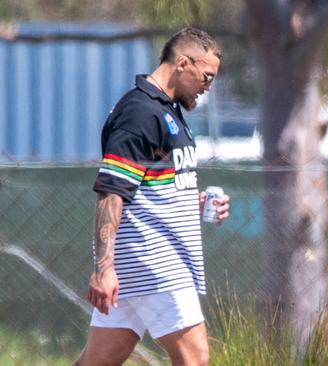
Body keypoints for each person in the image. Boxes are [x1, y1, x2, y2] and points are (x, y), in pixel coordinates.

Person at [75, 27, 230, 366]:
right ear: (182, 63)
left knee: (98, 361)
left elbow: (152, 184)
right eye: (206, 77)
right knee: (196, 359)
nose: (209, 86)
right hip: (155, 262)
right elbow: (110, 193)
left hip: (141, 266)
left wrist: (197, 204)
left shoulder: (167, 109)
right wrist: (104, 269)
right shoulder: (140, 113)